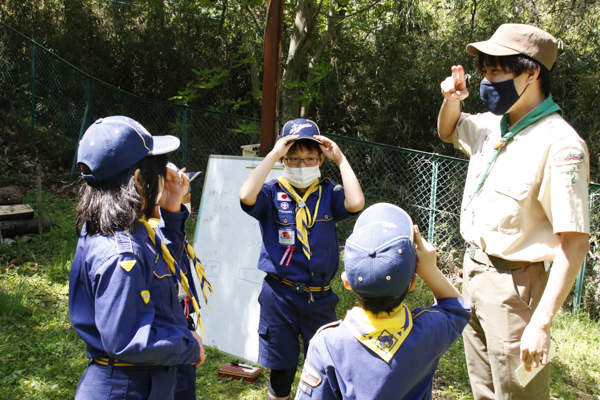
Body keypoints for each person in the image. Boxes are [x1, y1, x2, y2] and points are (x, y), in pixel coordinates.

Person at [437, 23, 590, 399]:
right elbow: (448, 130)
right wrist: (452, 98)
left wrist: (541, 321)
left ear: (532, 71)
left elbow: (574, 243)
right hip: (474, 274)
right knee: (484, 388)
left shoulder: (561, 144)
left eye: (497, 71)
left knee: (520, 393)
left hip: (517, 288)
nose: (488, 81)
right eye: (485, 71)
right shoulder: (493, 126)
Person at [69, 116, 205, 400]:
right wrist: (189, 345)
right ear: (139, 179)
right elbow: (128, 341)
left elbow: (161, 270)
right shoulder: (121, 253)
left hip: (145, 380)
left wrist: (171, 213)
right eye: (157, 168)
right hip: (128, 386)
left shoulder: (118, 227)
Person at [238, 118, 365, 400]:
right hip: (279, 295)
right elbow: (246, 196)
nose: (301, 165)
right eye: (293, 159)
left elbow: (356, 203)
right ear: (283, 160)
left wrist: (341, 159)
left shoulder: (327, 192)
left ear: (321, 158)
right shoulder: (272, 191)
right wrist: (272, 154)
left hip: (318, 298)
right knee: (281, 370)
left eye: (309, 159)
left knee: (323, 367)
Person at [294, 203, 471, 400]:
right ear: (413, 283)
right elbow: (456, 307)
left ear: (346, 282)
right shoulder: (431, 330)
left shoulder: (328, 343)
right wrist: (431, 271)